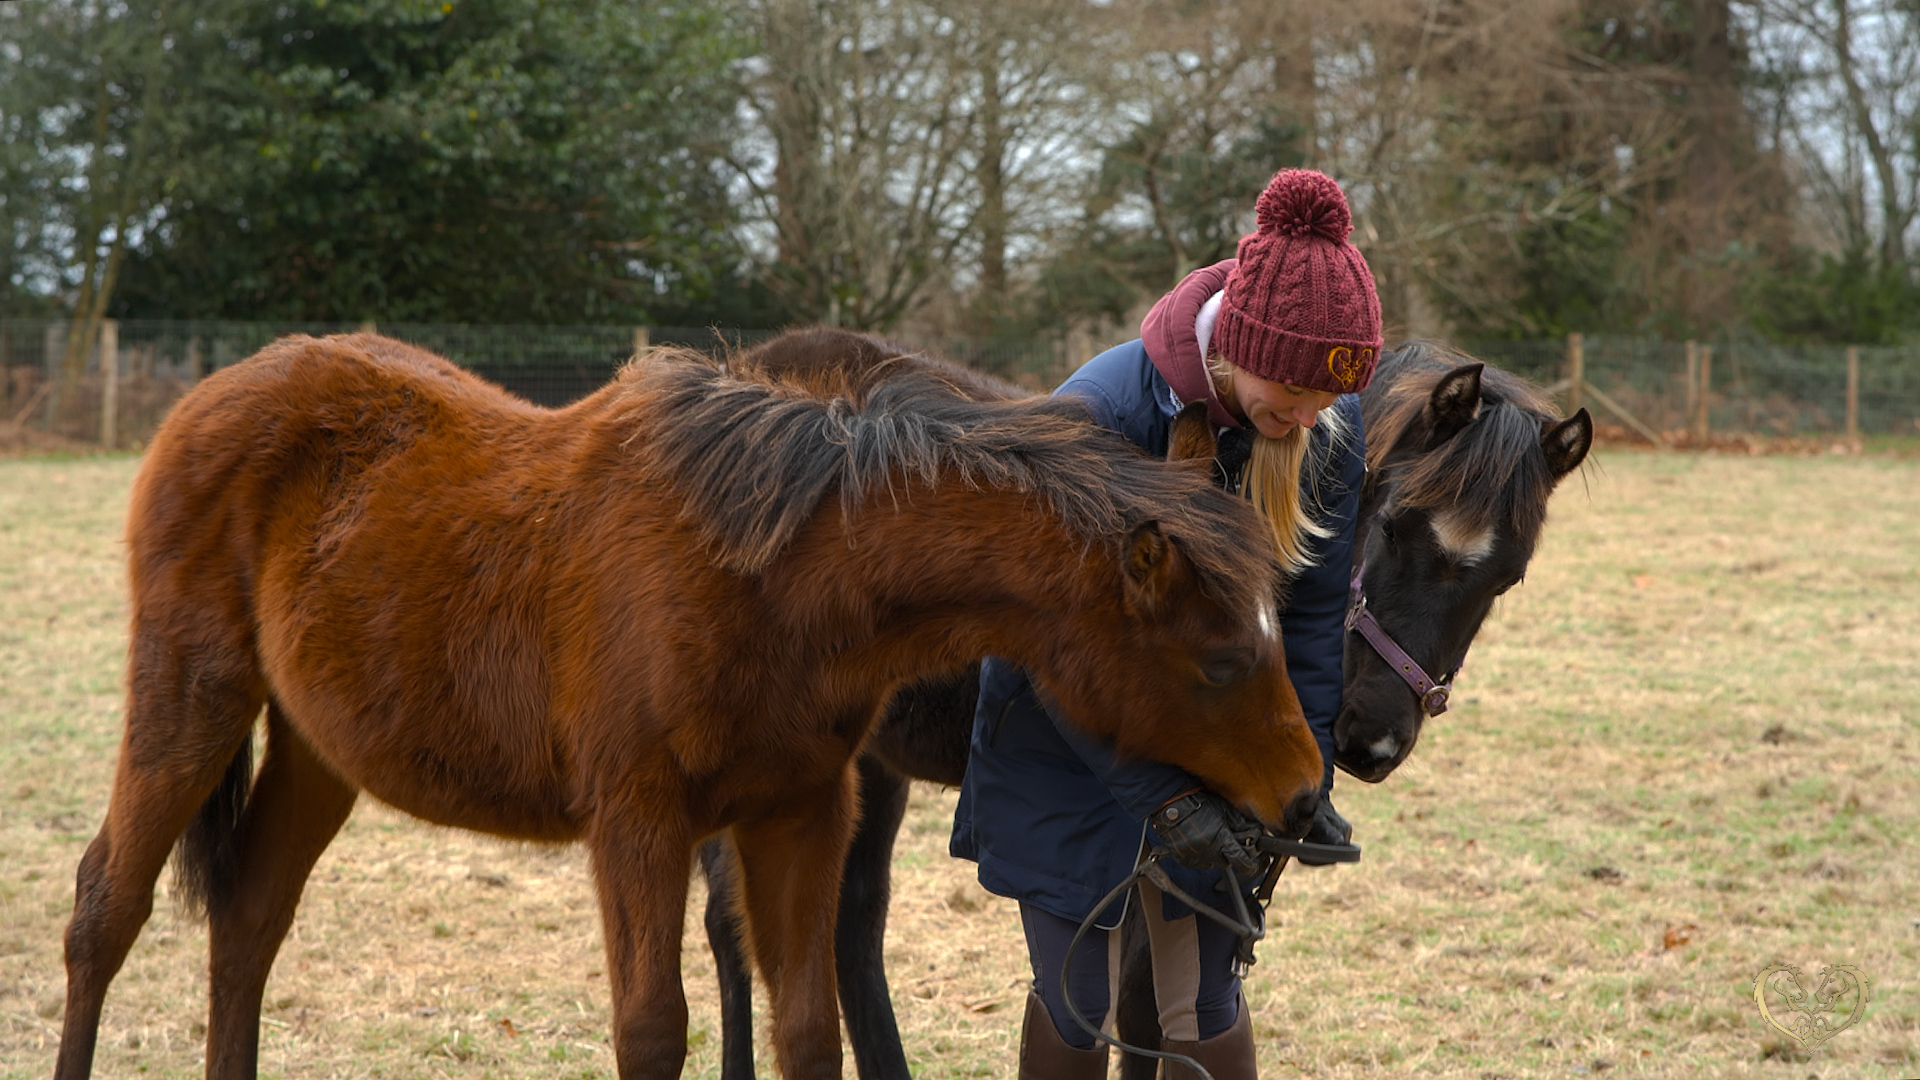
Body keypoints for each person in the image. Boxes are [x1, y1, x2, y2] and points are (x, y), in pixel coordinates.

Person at [949, 168, 1380, 1079]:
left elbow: (1305, 627)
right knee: (1079, 1000)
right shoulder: (1096, 421)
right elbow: (1048, 655)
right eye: (1292, 392)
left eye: (1324, 400)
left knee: (1205, 998)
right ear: (1240, 344)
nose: (1306, 417)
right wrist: (1164, 800)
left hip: (1223, 744)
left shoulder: (1325, 435)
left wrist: (1306, 783)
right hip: (1063, 748)